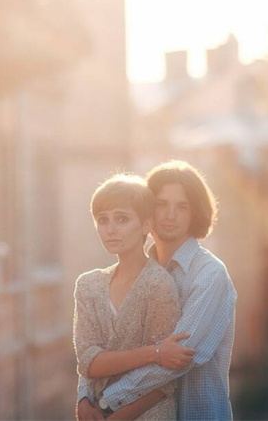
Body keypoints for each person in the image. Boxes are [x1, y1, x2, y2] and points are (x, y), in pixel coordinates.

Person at [78, 160, 237, 421]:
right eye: (162, 204)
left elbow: (177, 359)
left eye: (182, 206)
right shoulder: (133, 272)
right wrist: (85, 396)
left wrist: (107, 402)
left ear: (194, 213)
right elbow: (99, 346)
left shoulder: (210, 275)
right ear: (146, 212)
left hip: (196, 414)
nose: (170, 215)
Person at [73, 174, 187, 420]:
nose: (111, 229)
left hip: (149, 414)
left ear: (146, 225)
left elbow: (164, 376)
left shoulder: (159, 284)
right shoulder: (88, 285)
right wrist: (83, 401)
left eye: (122, 219)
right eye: (103, 220)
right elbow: (87, 362)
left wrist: (115, 417)